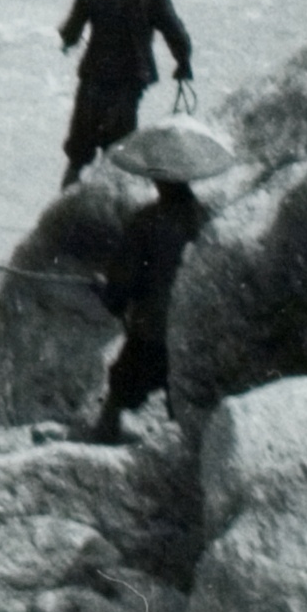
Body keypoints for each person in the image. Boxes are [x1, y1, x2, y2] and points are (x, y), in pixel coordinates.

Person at [58, 0, 193, 188]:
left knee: (78, 155)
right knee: (119, 156)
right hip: (129, 85)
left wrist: (66, 39)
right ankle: (115, 213)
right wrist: (183, 64)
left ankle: (60, 217)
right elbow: (176, 33)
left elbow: (71, 33)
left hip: (94, 81)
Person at [91, 175, 207, 441]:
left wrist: (106, 291)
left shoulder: (147, 220)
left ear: (161, 181)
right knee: (181, 402)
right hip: (193, 327)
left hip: (152, 328)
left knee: (121, 387)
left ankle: (101, 443)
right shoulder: (204, 217)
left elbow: (122, 281)